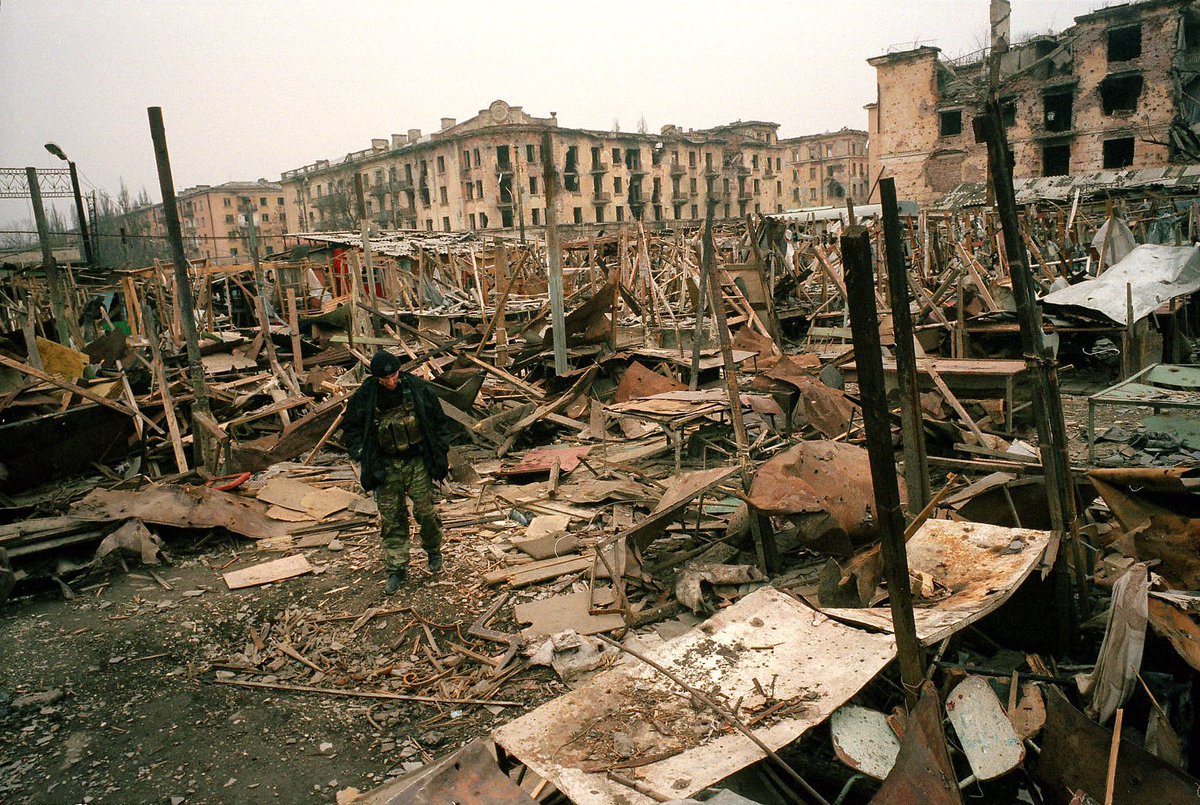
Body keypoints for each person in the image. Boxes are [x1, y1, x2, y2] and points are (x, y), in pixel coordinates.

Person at [342, 350, 451, 594]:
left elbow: (438, 421)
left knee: (425, 512)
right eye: (385, 379)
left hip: (417, 462)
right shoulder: (365, 397)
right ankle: (397, 568)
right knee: (392, 519)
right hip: (386, 465)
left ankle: (433, 551)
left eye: (394, 376)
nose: (391, 382)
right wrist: (361, 452)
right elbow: (350, 429)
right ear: (376, 378)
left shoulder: (417, 389)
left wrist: (440, 451)